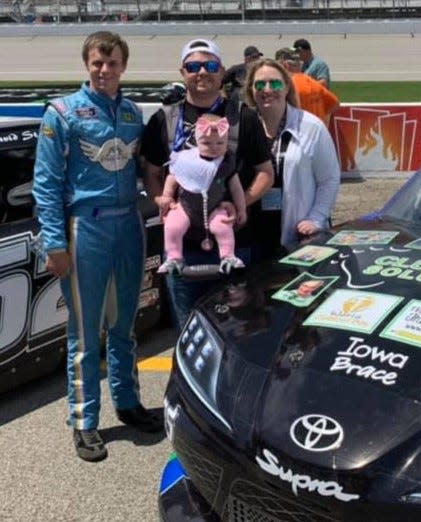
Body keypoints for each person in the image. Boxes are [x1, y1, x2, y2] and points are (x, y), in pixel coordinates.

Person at [32, 31, 163, 462]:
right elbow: (46, 184)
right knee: (87, 333)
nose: (104, 70)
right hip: (84, 229)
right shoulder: (62, 112)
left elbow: (148, 171)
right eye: (96, 63)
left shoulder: (131, 113)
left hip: (128, 225)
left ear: (123, 65)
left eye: (112, 63)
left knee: (126, 325)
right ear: (87, 65)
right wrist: (54, 242)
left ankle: (127, 403)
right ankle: (84, 420)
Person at [141, 38, 274, 331]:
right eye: (193, 66)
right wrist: (162, 201)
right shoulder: (165, 119)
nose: (202, 72)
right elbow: (150, 172)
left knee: (239, 334)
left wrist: (239, 204)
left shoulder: (243, 116)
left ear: (222, 71)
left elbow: (266, 172)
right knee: (190, 336)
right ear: (182, 72)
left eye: (210, 65)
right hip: (183, 252)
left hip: (236, 247)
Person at [241, 58, 340, 252]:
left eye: (275, 83)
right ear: (251, 90)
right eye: (260, 84)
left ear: (287, 88)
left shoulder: (311, 127)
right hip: (252, 232)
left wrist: (316, 217)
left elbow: (329, 179)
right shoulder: (243, 126)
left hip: (300, 232)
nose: (267, 90)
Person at [157, 113, 246, 275]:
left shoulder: (226, 163)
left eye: (220, 143)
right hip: (185, 206)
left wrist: (241, 209)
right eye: (207, 143)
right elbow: (172, 177)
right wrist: (167, 196)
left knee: (222, 225)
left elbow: (236, 188)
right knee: (173, 225)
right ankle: (174, 256)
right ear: (197, 141)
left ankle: (228, 256)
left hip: (215, 207)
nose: (214, 147)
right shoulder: (185, 159)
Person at [276, 47, 340, 125]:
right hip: (317, 134)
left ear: (284, 65)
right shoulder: (314, 84)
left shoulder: (285, 87)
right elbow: (334, 104)